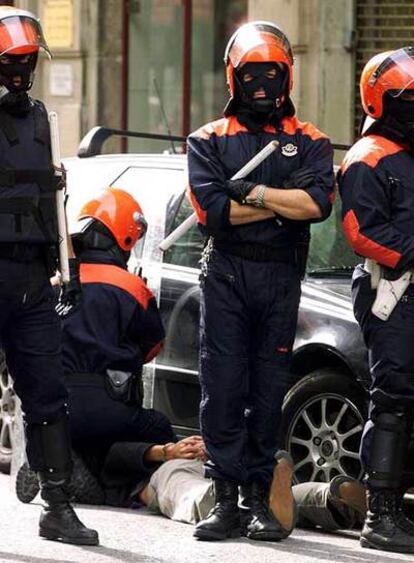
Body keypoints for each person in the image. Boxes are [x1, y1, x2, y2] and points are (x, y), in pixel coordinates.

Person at [187, 20, 335, 542]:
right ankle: (224, 498)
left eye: (270, 73)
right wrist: (279, 204)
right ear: (233, 76)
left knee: (268, 389)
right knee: (223, 386)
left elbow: (316, 204)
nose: (261, 84)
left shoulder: (311, 141)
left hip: (280, 275)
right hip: (226, 272)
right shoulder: (206, 139)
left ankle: (257, 500)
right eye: (251, 73)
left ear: (287, 76)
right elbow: (211, 213)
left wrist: (249, 193)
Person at [0, 6, 98, 545]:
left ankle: (58, 507)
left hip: (34, 278)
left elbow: (55, 199)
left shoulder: (41, 117)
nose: (21, 71)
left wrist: (70, 265)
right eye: (11, 62)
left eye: (27, 61)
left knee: (48, 394)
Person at [338, 46, 414, 554]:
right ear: (383, 100)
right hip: (393, 291)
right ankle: (380, 514)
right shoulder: (367, 158)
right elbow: (362, 231)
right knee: (393, 396)